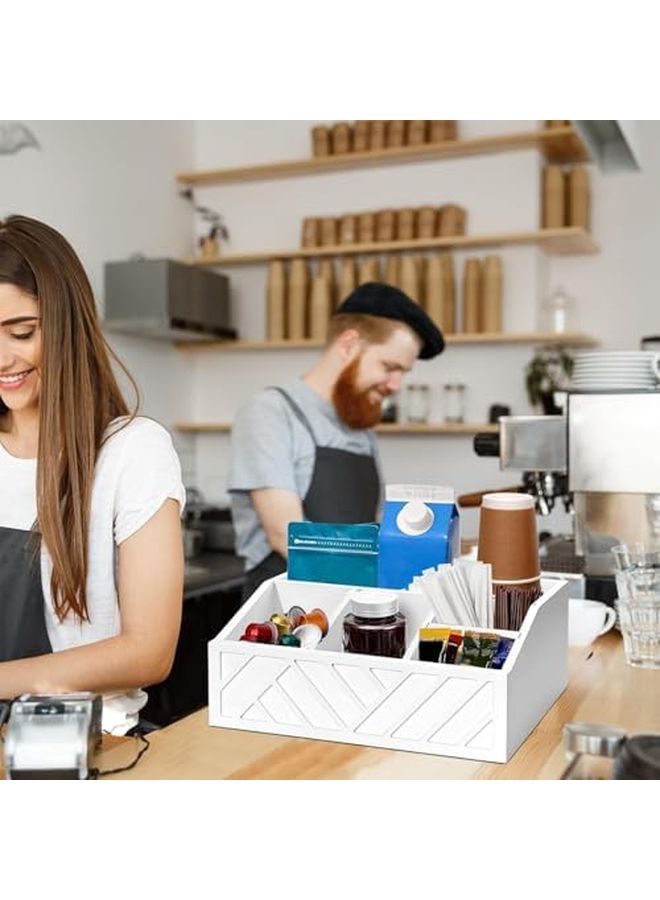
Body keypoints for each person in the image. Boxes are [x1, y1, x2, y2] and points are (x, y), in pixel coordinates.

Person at [0, 215, 185, 734]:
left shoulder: (131, 450)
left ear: (66, 323)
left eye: (22, 332)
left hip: (82, 742)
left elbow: (148, 652)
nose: (2, 358)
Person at [229, 281, 445, 599]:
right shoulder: (271, 411)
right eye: (390, 367)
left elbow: (372, 528)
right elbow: (284, 535)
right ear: (348, 345)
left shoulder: (359, 425)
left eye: (404, 373)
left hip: (353, 604)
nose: (396, 384)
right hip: (286, 614)